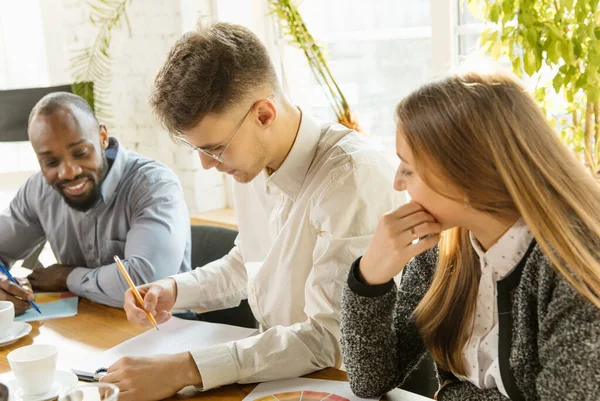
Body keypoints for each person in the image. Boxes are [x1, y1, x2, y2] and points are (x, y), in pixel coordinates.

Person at [99, 23, 403, 401]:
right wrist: (175, 289)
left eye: (214, 148)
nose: (208, 165)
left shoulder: (352, 178)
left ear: (264, 114)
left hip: (336, 385)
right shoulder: (251, 162)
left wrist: (186, 368)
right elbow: (251, 261)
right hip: (272, 381)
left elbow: (327, 339)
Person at [340, 67, 600, 400]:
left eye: (408, 169)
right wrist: (370, 277)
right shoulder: (440, 249)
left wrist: (451, 395)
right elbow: (371, 379)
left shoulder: (576, 265)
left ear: (464, 178)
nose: (398, 183)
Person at [0, 92, 191, 310]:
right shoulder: (38, 190)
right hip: (87, 325)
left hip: (168, 328)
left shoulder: (153, 184)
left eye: (80, 152)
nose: (68, 172)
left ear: (102, 138)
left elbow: (146, 284)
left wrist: (66, 277)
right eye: (51, 162)